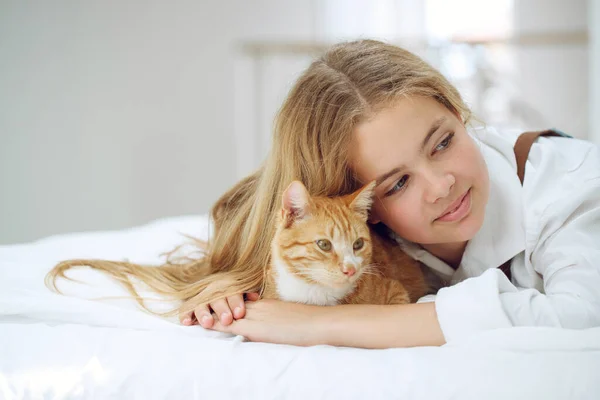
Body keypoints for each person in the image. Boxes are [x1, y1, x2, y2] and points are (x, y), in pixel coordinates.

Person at [49, 39, 599, 349]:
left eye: (443, 142)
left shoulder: (572, 184)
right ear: (364, 209)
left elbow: (582, 316)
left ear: (458, 113)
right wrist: (230, 290)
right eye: (398, 183)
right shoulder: (359, 235)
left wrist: (318, 324)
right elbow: (275, 224)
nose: (442, 186)